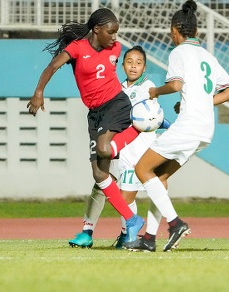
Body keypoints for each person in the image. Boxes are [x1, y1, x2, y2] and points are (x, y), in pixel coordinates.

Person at [124, 0, 229, 252]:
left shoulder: (178, 53)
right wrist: (201, 101)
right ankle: (149, 239)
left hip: (188, 127)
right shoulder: (208, 56)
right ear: (196, 31)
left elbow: (174, 86)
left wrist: (154, 91)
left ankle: (175, 224)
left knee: (142, 169)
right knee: (159, 178)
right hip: (205, 130)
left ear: (175, 30)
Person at [27, 8, 144, 243]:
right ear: (97, 30)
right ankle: (130, 221)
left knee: (103, 148)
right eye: (111, 32)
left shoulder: (115, 49)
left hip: (116, 105)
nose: (115, 37)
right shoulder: (77, 49)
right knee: (100, 174)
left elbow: (106, 72)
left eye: (116, 32)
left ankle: (142, 126)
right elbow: (52, 67)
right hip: (94, 115)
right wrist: (39, 91)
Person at [68, 46, 163, 250]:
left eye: (138, 63)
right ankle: (86, 231)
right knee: (100, 183)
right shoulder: (116, 89)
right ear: (122, 65)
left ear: (144, 67)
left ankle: (127, 235)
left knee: (126, 193)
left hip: (137, 148)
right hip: (116, 144)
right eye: (129, 62)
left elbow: (148, 118)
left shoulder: (148, 87)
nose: (133, 66)